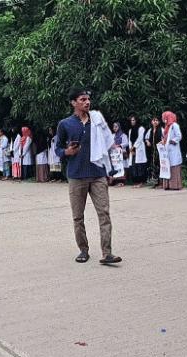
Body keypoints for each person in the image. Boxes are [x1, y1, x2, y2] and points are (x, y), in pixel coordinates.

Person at [55, 88, 121, 265]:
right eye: (82, 99)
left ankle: (107, 253)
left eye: (88, 99)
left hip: (98, 174)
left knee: (104, 213)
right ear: (73, 102)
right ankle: (83, 250)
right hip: (76, 175)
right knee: (78, 216)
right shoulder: (65, 124)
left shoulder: (98, 121)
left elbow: (108, 144)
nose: (87, 102)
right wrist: (67, 151)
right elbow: (58, 148)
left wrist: (111, 167)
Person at [164, 112, 183, 190]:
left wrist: (173, 141)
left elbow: (179, 136)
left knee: (174, 167)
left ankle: (175, 185)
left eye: (164, 117)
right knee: (168, 166)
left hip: (173, 149)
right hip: (167, 149)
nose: (163, 119)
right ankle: (168, 185)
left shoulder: (174, 125)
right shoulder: (167, 127)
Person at [128, 116, 147, 188]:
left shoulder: (141, 128)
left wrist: (134, 147)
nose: (132, 122)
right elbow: (129, 140)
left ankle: (141, 182)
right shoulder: (130, 130)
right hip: (133, 150)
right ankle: (136, 182)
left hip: (139, 149)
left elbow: (140, 139)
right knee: (134, 166)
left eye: (133, 120)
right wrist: (130, 148)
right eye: (131, 120)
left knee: (140, 166)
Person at [108, 122, 129, 187]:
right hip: (115, 155)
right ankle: (116, 181)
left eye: (116, 127)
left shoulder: (123, 135)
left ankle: (122, 181)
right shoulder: (113, 135)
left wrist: (119, 145)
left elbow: (126, 143)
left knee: (122, 167)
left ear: (119, 127)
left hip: (121, 153)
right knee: (116, 167)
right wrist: (112, 146)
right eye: (114, 127)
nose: (114, 128)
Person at [147, 117, 162, 188]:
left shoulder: (161, 130)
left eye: (157, 120)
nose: (155, 122)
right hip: (152, 150)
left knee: (159, 165)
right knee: (153, 166)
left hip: (159, 150)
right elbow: (146, 138)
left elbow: (164, 138)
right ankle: (155, 183)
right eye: (154, 120)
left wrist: (161, 142)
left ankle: (160, 182)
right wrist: (147, 142)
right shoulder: (150, 130)